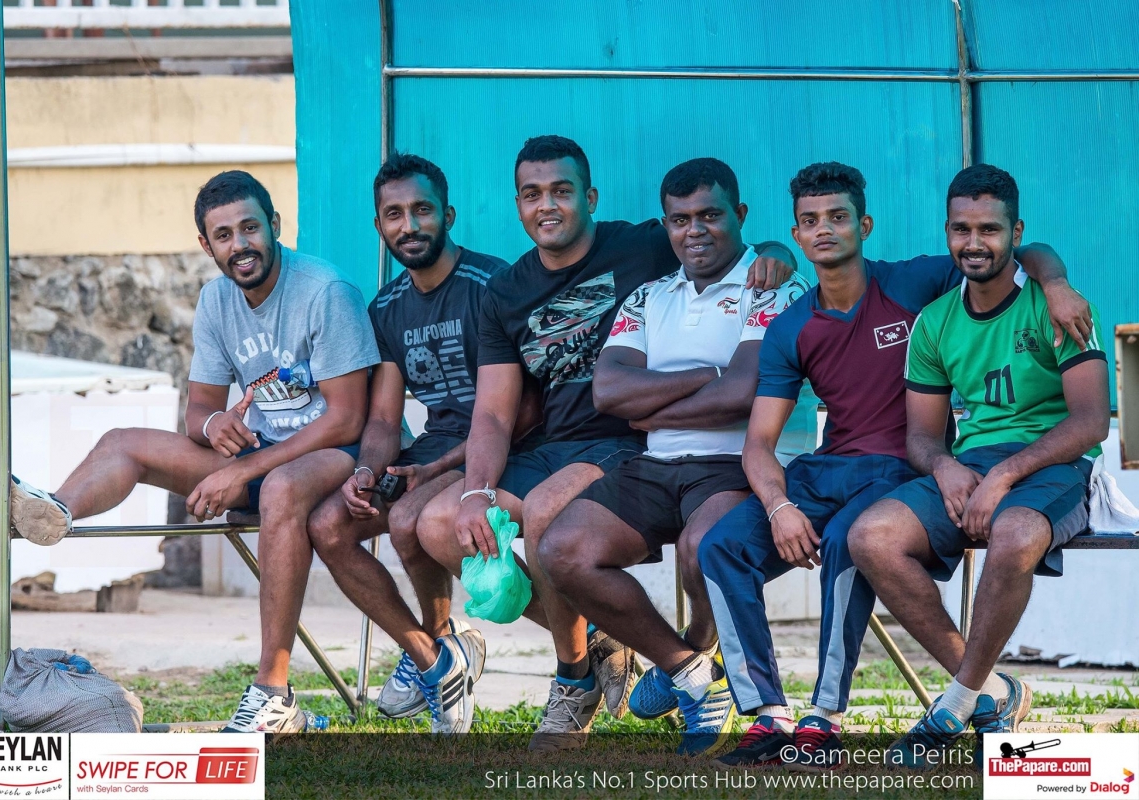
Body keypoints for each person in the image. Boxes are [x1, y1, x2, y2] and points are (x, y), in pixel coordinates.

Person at [697, 162, 1094, 770]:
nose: (824, 229)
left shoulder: (915, 284)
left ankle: (824, 717)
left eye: (838, 217)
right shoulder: (793, 326)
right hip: (836, 466)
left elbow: (1017, 253)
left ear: (865, 225)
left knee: (848, 539)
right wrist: (778, 507)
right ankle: (768, 714)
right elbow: (759, 443)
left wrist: (1058, 281)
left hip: (903, 470)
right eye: (810, 221)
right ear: (797, 234)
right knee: (720, 547)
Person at [0, 170, 380, 733]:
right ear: (206, 245)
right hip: (265, 453)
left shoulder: (325, 291)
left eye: (250, 228)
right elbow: (197, 410)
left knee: (279, 487)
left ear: (275, 225)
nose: (240, 245)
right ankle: (53, 510)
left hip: (338, 454)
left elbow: (347, 418)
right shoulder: (216, 300)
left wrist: (243, 471)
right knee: (123, 442)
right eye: (224, 235)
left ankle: (273, 694)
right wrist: (215, 424)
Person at [415, 136, 798, 751]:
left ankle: (575, 680)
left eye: (562, 191)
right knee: (440, 524)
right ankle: (608, 641)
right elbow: (507, 408)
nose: (548, 205)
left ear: (589, 197)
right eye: (533, 194)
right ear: (517, 204)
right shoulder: (510, 292)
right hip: (564, 443)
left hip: (629, 446)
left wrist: (777, 252)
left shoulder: (644, 247)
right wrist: (476, 490)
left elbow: (730, 250)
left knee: (553, 516)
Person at [537, 157, 814, 757]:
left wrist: (655, 408)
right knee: (562, 550)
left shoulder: (773, 287)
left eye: (710, 215)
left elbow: (745, 392)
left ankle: (700, 646)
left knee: (702, 547)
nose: (695, 231)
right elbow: (609, 392)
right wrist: (707, 374)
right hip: (658, 464)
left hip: (742, 461)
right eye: (680, 219)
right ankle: (691, 671)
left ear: (740, 215)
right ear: (666, 225)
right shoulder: (649, 296)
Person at [848, 164, 1109, 768]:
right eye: (961, 229)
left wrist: (1005, 475)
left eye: (989, 229)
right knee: (871, 536)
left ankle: (953, 705)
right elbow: (920, 437)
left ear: (1015, 232)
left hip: (1057, 462)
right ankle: (990, 690)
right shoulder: (935, 322)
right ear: (946, 231)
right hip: (972, 464)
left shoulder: (1058, 307)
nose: (974, 242)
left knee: (1015, 534)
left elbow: (1091, 422)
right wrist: (944, 468)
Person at [302, 152, 533, 734]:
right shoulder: (385, 308)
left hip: (507, 444)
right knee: (328, 525)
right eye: (394, 214)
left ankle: (447, 648)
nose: (409, 225)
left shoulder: (493, 284)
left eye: (422, 210)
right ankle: (435, 657)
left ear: (448, 215)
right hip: (436, 445)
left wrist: (434, 470)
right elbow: (384, 419)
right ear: (378, 225)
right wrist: (365, 471)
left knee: (408, 520)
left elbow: (522, 411)